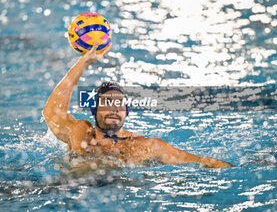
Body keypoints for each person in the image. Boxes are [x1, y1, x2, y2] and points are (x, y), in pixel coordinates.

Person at [43, 42, 233, 168]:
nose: (114, 108)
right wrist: (82, 63)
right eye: (107, 102)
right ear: (94, 110)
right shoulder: (80, 132)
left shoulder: (145, 146)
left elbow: (201, 161)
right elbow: (51, 111)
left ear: (126, 113)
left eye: (120, 105)